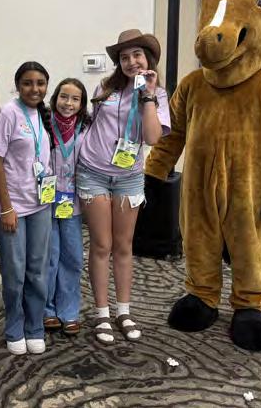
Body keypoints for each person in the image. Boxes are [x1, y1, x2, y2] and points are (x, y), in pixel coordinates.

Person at [76, 29, 171, 344]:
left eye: (137, 55)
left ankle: (124, 311)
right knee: (101, 245)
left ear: (148, 58)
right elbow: (93, 122)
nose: (131, 62)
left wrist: (147, 96)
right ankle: (102, 313)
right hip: (93, 172)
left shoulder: (158, 95)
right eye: (125, 57)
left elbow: (153, 137)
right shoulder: (106, 86)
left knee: (123, 246)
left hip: (128, 176)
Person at [0, 61, 53, 355]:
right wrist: (6, 207)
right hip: (12, 206)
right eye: (28, 83)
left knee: (37, 269)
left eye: (40, 83)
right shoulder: (8, 113)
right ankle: (14, 326)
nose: (34, 89)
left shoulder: (44, 114)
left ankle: (34, 326)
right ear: (18, 85)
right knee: (14, 272)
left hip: (40, 204)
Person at [43, 78, 90, 336]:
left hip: (73, 202)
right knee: (49, 257)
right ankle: (47, 310)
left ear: (81, 103)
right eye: (64, 96)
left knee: (72, 257)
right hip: (46, 200)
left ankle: (69, 312)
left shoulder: (87, 127)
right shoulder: (44, 123)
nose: (68, 103)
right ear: (55, 98)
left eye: (75, 99)